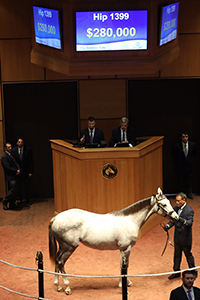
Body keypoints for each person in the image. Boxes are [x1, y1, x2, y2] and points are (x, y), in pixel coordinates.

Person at [164, 192, 195, 280]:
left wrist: (183, 221)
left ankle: (193, 271)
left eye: (178, 201)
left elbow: (190, 223)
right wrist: (168, 226)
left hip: (185, 238)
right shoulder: (176, 208)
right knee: (177, 255)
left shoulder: (189, 210)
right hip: (177, 237)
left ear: (184, 200)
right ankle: (176, 271)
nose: (176, 203)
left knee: (188, 254)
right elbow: (173, 219)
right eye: (176, 201)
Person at [172, 131, 196, 199]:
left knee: (189, 180)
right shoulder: (176, 146)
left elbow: (194, 154)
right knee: (180, 180)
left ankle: (189, 193)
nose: (185, 138)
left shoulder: (192, 145)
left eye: (186, 137)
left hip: (189, 166)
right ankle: (180, 194)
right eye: (183, 137)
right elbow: (174, 155)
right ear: (181, 138)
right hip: (180, 166)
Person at [12, 137, 33, 205]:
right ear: (17, 143)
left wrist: (30, 172)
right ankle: (19, 199)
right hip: (18, 172)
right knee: (19, 186)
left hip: (25, 171)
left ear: (23, 143)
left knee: (27, 186)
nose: (20, 143)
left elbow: (30, 161)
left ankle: (28, 199)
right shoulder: (14, 150)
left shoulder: (28, 149)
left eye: (21, 142)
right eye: (19, 142)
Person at [1, 142, 21, 210]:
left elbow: (16, 163)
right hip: (10, 176)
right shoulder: (4, 157)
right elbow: (7, 167)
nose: (10, 148)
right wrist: (16, 171)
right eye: (8, 147)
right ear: (5, 148)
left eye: (11, 147)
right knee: (12, 190)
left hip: (15, 175)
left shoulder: (12, 154)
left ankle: (12, 204)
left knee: (16, 190)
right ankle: (5, 200)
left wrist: (18, 169)